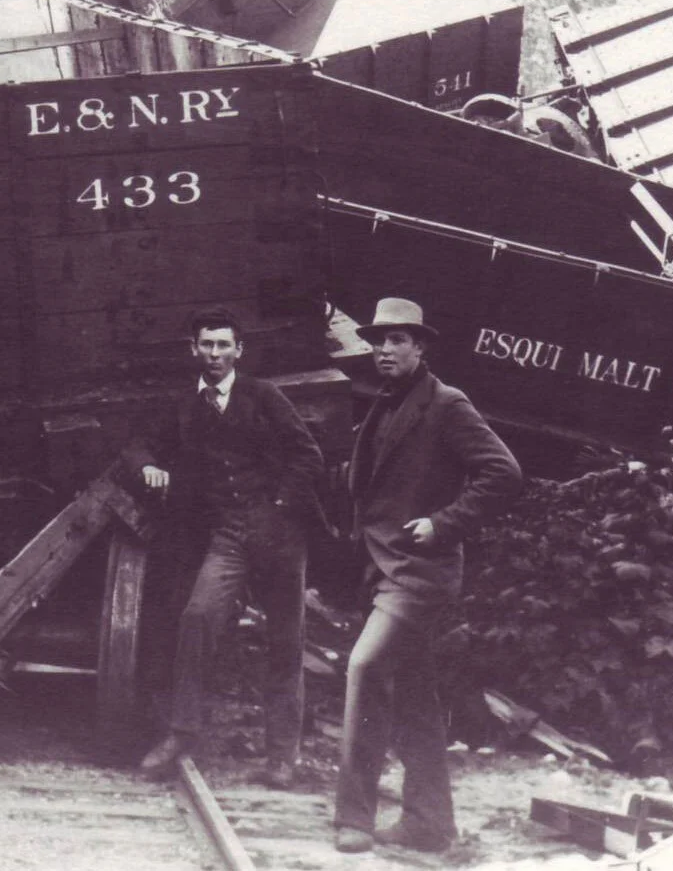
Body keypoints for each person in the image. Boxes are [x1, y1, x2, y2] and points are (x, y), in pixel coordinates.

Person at [333, 298, 522, 856]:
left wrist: (443, 524)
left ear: (420, 347)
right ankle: (430, 824)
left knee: (364, 669)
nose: (384, 350)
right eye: (378, 339)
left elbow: (503, 473)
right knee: (415, 696)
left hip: (420, 574)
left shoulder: (445, 404)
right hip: (385, 568)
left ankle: (355, 819)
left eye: (397, 340)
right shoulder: (385, 403)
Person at [125, 308, 324, 789]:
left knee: (286, 640)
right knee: (197, 619)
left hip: (278, 532)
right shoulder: (185, 406)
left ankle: (282, 755)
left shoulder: (264, 396)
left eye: (223, 345)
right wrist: (150, 466)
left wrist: (279, 504)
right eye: (206, 345)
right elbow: (138, 446)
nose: (214, 354)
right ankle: (182, 733)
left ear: (239, 351)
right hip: (228, 535)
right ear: (192, 349)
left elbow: (308, 454)